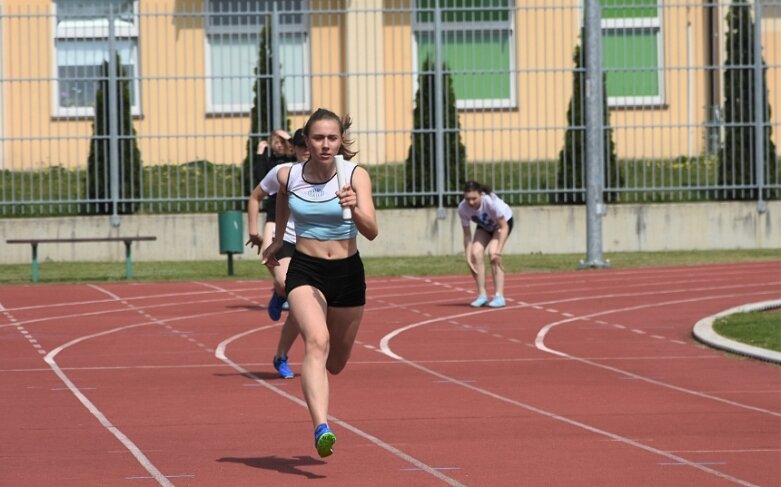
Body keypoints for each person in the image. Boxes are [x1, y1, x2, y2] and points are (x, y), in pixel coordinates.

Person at [262, 108, 378, 458]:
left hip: (347, 274)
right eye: (318, 138)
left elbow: (372, 231)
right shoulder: (290, 175)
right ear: (306, 142)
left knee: (335, 363)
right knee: (316, 340)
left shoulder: (355, 176)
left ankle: (323, 386)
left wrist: (355, 208)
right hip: (306, 269)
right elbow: (281, 199)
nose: (326, 145)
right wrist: (280, 239)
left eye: (332, 138)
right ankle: (321, 427)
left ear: (340, 140)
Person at [246, 129, 309, 379]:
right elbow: (255, 197)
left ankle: (281, 356)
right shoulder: (282, 172)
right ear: (293, 148)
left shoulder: (328, 174)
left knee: (300, 308)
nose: (307, 149)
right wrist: (253, 231)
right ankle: (279, 289)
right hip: (278, 234)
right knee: (286, 284)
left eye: (309, 144)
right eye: (301, 145)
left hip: (310, 242)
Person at [253, 129, 296, 314]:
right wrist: (260, 154)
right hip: (273, 210)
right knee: (267, 255)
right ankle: (280, 290)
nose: (278, 144)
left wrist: (287, 137)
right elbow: (260, 177)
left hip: (294, 213)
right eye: (274, 142)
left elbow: (300, 147)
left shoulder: (296, 160)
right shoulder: (273, 163)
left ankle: (285, 291)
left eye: (281, 142)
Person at [457, 180, 513, 308]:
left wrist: (498, 252)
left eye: (474, 199)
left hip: (502, 224)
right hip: (485, 225)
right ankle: (482, 295)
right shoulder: (462, 209)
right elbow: (467, 235)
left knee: (493, 254)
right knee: (475, 253)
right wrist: (467, 257)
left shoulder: (490, 203)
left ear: (481, 194)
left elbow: (504, 227)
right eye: (467, 199)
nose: (471, 202)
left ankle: (499, 296)